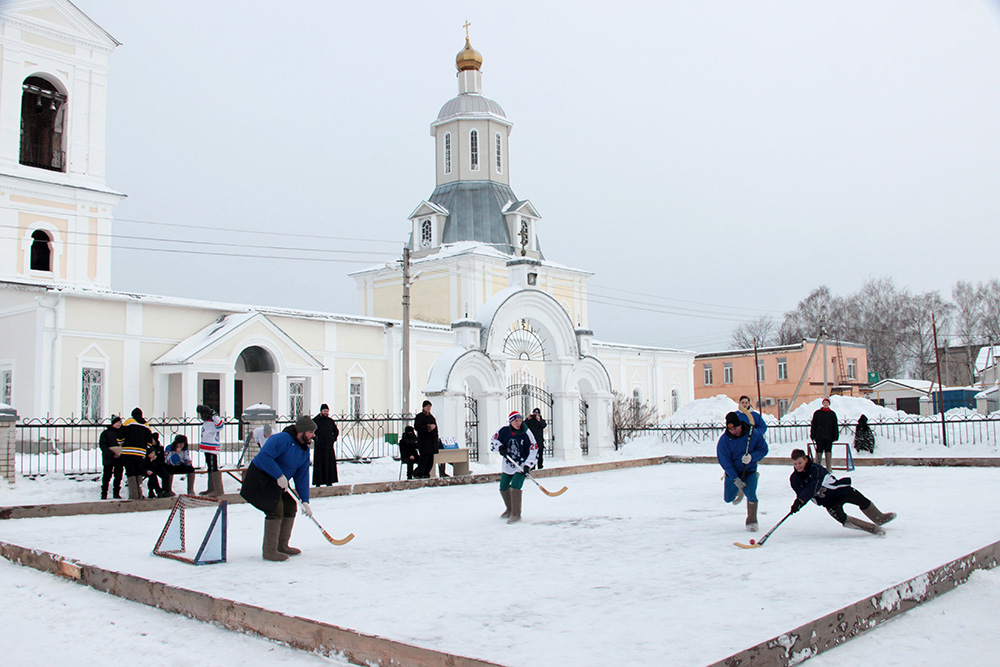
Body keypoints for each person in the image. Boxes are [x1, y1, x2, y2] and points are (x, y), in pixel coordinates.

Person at [239, 415, 317, 561]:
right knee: (276, 508)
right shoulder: (282, 439)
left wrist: (305, 500)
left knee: (290, 504)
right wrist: (279, 475)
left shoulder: (304, 451)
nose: (313, 435)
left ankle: (282, 545)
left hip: (279, 482)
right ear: (301, 431)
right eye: (311, 432)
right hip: (261, 478)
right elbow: (264, 457)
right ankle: (269, 551)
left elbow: (302, 476)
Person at [789, 448, 896, 535]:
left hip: (839, 491)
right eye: (795, 464)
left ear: (806, 460)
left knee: (862, 501)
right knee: (843, 519)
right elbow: (802, 494)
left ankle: (879, 518)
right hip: (828, 502)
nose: (798, 466)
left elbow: (813, 487)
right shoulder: (794, 479)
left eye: (800, 462)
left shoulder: (816, 469)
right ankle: (872, 529)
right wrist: (798, 504)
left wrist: (800, 500)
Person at [717, 411, 769, 531]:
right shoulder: (724, 440)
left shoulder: (753, 434)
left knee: (751, 495)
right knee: (728, 498)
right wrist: (735, 478)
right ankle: (738, 490)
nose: (733, 431)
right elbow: (724, 461)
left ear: (740, 425)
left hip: (749, 470)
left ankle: (752, 521)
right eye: (730, 429)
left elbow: (763, 449)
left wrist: (752, 457)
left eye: (735, 428)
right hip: (733, 473)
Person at [490, 411, 539, 524]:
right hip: (509, 464)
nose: (518, 423)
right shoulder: (504, 431)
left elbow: (534, 448)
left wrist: (528, 465)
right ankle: (510, 509)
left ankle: (516, 514)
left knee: (515, 486)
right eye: (516, 421)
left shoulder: (526, 433)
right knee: (503, 486)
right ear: (511, 422)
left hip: (522, 465)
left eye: (520, 420)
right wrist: (500, 447)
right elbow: (494, 440)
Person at [121, 407, 154, 500]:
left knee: (131, 473)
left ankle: (133, 495)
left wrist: (121, 443)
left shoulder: (128, 422)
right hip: (141, 453)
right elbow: (149, 441)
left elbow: (121, 436)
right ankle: (139, 494)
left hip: (128, 451)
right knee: (138, 472)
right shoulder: (146, 425)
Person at [197, 404, 225, 496]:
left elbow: (221, 425)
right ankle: (211, 488)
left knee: (213, 467)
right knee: (210, 467)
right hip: (206, 448)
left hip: (212, 448)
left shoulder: (213, 421)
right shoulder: (207, 422)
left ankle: (218, 489)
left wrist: (214, 415)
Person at [312, 404, 340, 486]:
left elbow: (336, 431)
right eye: (324, 411)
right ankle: (318, 482)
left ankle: (329, 481)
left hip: (328, 447)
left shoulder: (330, 421)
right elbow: (312, 432)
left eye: (327, 411)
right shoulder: (315, 421)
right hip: (319, 447)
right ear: (321, 411)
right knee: (319, 465)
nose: (326, 413)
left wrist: (333, 439)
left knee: (329, 464)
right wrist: (316, 439)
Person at [98, 415, 124, 500]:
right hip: (109, 458)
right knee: (107, 476)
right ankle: (104, 493)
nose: (118, 424)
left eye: (119, 422)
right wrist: (111, 454)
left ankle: (116, 492)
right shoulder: (106, 433)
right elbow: (103, 445)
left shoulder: (122, 433)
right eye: (116, 422)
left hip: (120, 458)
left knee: (118, 476)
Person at [810, 397, 839, 470]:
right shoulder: (817, 413)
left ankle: (829, 467)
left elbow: (835, 426)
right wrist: (812, 434)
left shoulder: (832, 414)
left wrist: (835, 436)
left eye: (827, 403)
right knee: (819, 451)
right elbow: (814, 424)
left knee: (828, 451)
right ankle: (817, 467)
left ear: (829, 404)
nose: (825, 404)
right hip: (819, 436)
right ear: (822, 403)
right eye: (824, 403)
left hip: (829, 436)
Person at [413, 400, 439, 478]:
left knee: (430, 459)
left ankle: (426, 473)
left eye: (430, 406)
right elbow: (417, 427)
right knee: (424, 458)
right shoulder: (420, 417)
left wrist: (436, 438)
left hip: (431, 442)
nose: (429, 408)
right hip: (424, 442)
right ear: (424, 407)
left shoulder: (432, 417)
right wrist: (428, 427)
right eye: (427, 406)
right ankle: (419, 473)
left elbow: (436, 430)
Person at [144, 431, 167, 498]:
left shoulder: (159, 448)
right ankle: (156, 490)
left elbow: (162, 460)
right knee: (152, 475)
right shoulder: (146, 448)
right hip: (146, 467)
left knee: (165, 473)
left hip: (157, 466)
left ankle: (165, 490)